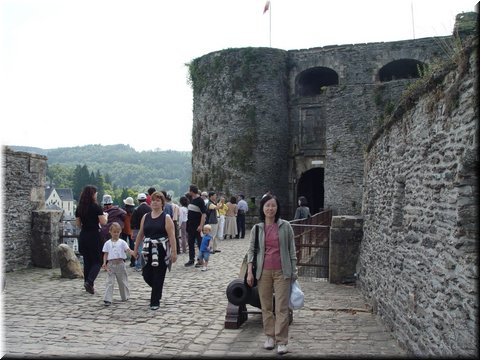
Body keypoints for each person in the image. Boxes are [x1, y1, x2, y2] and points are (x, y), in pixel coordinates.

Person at [246, 194, 298, 355]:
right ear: (263, 208)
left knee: (281, 307)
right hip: (264, 271)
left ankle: (281, 340)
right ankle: (270, 336)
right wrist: (250, 272)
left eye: (273, 206)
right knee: (266, 306)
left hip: (283, 271)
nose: (270, 209)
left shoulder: (286, 226)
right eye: (267, 205)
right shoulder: (257, 228)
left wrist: (294, 271)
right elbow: (252, 251)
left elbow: (291, 250)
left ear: (277, 208)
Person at [133, 191, 177, 310]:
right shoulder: (145, 217)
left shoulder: (166, 218)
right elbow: (141, 234)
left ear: (162, 203)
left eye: (158, 200)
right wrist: (135, 249)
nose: (155, 202)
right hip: (147, 249)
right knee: (146, 274)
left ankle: (155, 301)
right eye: (153, 200)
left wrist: (174, 252)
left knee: (158, 275)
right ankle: (157, 290)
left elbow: (172, 236)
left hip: (161, 249)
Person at [75, 185, 108, 295]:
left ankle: (88, 284)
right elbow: (103, 222)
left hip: (84, 235)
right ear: (92, 194)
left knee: (87, 261)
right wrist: (106, 216)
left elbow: (78, 224)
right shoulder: (96, 206)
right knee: (97, 261)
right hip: (94, 235)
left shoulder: (80, 207)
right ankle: (89, 282)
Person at [101, 222, 135, 306]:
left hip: (120, 263)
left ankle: (125, 296)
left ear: (120, 232)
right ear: (110, 232)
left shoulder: (122, 242)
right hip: (111, 264)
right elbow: (105, 254)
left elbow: (128, 250)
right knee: (109, 282)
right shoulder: (107, 243)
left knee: (122, 281)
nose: (116, 234)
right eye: (114, 232)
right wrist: (104, 263)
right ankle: (107, 299)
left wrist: (133, 253)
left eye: (117, 232)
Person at [185, 185, 206, 267]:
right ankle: (191, 259)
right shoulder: (191, 199)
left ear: (192, 191)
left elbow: (203, 214)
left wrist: (201, 225)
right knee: (190, 243)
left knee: (200, 243)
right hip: (190, 225)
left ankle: (201, 260)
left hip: (197, 226)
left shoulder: (200, 200)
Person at [131, 193, 151, 271]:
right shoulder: (150, 209)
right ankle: (148, 264)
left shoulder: (136, 209)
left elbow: (133, 222)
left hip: (137, 230)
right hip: (148, 230)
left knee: (139, 247)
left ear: (138, 200)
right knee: (148, 247)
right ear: (146, 199)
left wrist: (132, 232)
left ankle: (139, 265)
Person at [121, 196, 136, 267]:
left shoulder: (123, 211)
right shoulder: (134, 211)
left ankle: (122, 261)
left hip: (124, 230)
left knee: (122, 246)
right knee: (132, 246)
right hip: (132, 230)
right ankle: (133, 261)